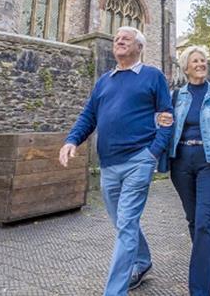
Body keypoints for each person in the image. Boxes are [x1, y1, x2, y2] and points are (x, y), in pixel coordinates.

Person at [59, 27, 173, 296]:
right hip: (109, 165)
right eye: (117, 38)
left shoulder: (152, 76)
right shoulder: (104, 81)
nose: (119, 40)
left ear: (139, 47)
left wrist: (152, 153)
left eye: (126, 38)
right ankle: (142, 262)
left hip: (138, 161)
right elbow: (89, 116)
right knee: (123, 223)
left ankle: (114, 291)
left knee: (126, 224)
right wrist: (72, 140)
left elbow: (167, 117)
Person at [162, 45, 210, 296]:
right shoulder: (176, 96)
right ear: (186, 67)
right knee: (194, 220)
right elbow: (164, 126)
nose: (201, 64)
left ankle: (199, 288)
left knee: (205, 220)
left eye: (203, 60)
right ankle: (204, 265)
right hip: (181, 163)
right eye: (195, 61)